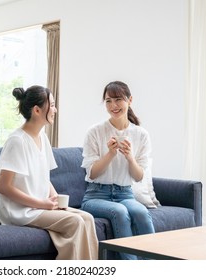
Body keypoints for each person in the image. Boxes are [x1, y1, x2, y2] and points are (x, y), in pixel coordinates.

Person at [0, 85, 98, 260]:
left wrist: (58, 201)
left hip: (39, 207)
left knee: (87, 218)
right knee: (75, 222)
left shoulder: (43, 137)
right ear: (37, 110)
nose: (55, 109)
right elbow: (4, 187)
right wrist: (42, 204)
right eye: (52, 105)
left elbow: (43, 177)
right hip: (21, 211)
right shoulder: (17, 141)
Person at [80, 81, 155, 260]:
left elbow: (138, 177)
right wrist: (110, 154)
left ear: (130, 100)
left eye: (118, 100)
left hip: (125, 194)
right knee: (120, 212)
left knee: (141, 212)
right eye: (108, 101)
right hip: (96, 196)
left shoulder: (141, 134)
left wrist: (129, 157)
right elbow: (92, 173)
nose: (113, 106)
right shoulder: (95, 132)